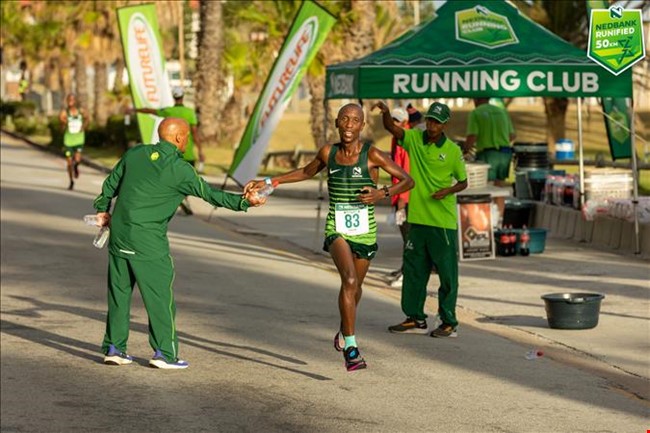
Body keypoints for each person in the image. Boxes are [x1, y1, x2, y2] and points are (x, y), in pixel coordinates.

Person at [244, 104, 414, 371]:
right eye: (344, 119)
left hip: (365, 230)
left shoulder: (372, 154)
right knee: (348, 280)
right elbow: (306, 171)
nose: (349, 125)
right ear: (336, 122)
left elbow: (407, 180)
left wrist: (381, 193)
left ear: (362, 126)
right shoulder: (328, 153)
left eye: (355, 120)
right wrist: (270, 182)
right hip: (337, 227)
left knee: (355, 288)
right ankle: (351, 348)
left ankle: (344, 331)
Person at [92, 118, 265, 369]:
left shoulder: (135, 154)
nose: (187, 141)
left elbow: (110, 186)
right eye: (187, 137)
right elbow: (211, 195)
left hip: (119, 234)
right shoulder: (180, 169)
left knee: (119, 294)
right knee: (159, 297)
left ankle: (114, 348)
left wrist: (102, 209)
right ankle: (164, 353)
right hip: (148, 241)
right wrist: (245, 202)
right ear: (178, 138)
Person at [373, 100, 468, 338]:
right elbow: (392, 129)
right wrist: (386, 113)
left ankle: (448, 322)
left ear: (445, 124)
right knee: (414, 271)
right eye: (430, 120)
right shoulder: (414, 139)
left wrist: (447, 191)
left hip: (442, 222)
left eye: (437, 122)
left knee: (447, 274)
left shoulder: (453, 151)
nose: (432, 125)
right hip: (417, 220)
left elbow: (463, 182)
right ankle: (415, 318)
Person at [134, 87, 204, 214]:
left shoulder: (168, 111)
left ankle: (177, 199)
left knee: (171, 178)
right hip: (187, 152)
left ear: (174, 97)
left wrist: (136, 109)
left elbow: (151, 111)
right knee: (187, 179)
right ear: (183, 97)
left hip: (171, 153)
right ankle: (182, 198)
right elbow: (195, 133)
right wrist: (200, 151)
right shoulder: (189, 113)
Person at [464, 97, 516, 187]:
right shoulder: (502, 112)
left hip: (487, 154)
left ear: (475, 100)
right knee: (499, 185)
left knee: (487, 186)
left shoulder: (476, 113)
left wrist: (465, 150)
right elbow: (512, 136)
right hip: (505, 153)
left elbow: (472, 136)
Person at [387, 107, 411, 288]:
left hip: (406, 198)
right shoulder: (396, 139)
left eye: (396, 120)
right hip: (399, 195)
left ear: (404, 122)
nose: (393, 123)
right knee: (405, 236)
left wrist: (402, 200)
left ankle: (407, 273)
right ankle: (404, 268)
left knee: (409, 238)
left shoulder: (406, 140)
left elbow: (407, 172)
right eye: (391, 120)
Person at [59, 94, 88, 190]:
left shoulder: (81, 111)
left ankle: (76, 167)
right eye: (68, 100)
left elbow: (87, 118)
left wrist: (83, 127)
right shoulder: (64, 112)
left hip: (79, 139)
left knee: (77, 159)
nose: (70, 102)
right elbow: (61, 121)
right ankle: (71, 181)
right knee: (69, 162)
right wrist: (63, 123)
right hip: (68, 140)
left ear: (75, 101)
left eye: (72, 100)